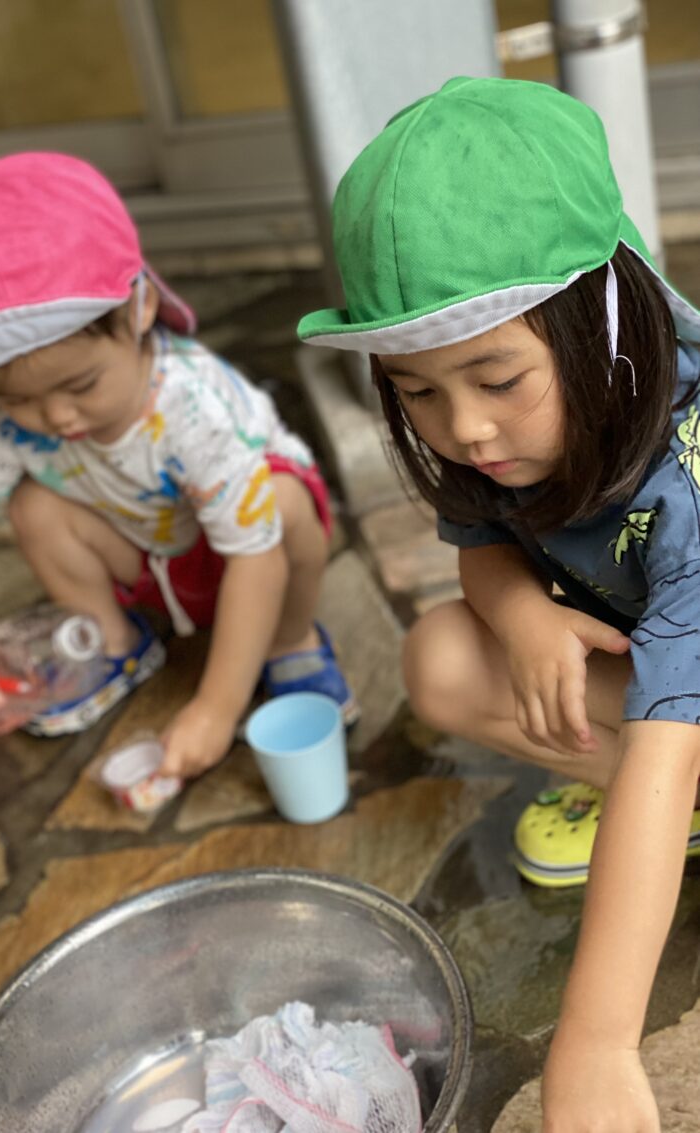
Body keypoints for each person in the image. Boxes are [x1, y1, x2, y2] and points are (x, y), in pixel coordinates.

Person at [298, 76, 700, 1132]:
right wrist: (520, 616)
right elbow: (481, 550)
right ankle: (668, 831)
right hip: (668, 687)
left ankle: (663, 832)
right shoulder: (502, 426)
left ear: (602, 319)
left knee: (669, 769)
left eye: (493, 377)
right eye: (419, 391)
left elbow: (669, 737)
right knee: (440, 656)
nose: (465, 429)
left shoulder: (693, 476)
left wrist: (598, 1044)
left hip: (687, 707)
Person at [0, 151, 356, 778]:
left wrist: (216, 709)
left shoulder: (192, 407)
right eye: (17, 399)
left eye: (82, 384)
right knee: (33, 506)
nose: (57, 417)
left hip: (250, 555)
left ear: (140, 307)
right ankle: (116, 641)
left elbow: (256, 559)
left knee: (283, 502)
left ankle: (289, 642)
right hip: (149, 555)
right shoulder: (4, 417)